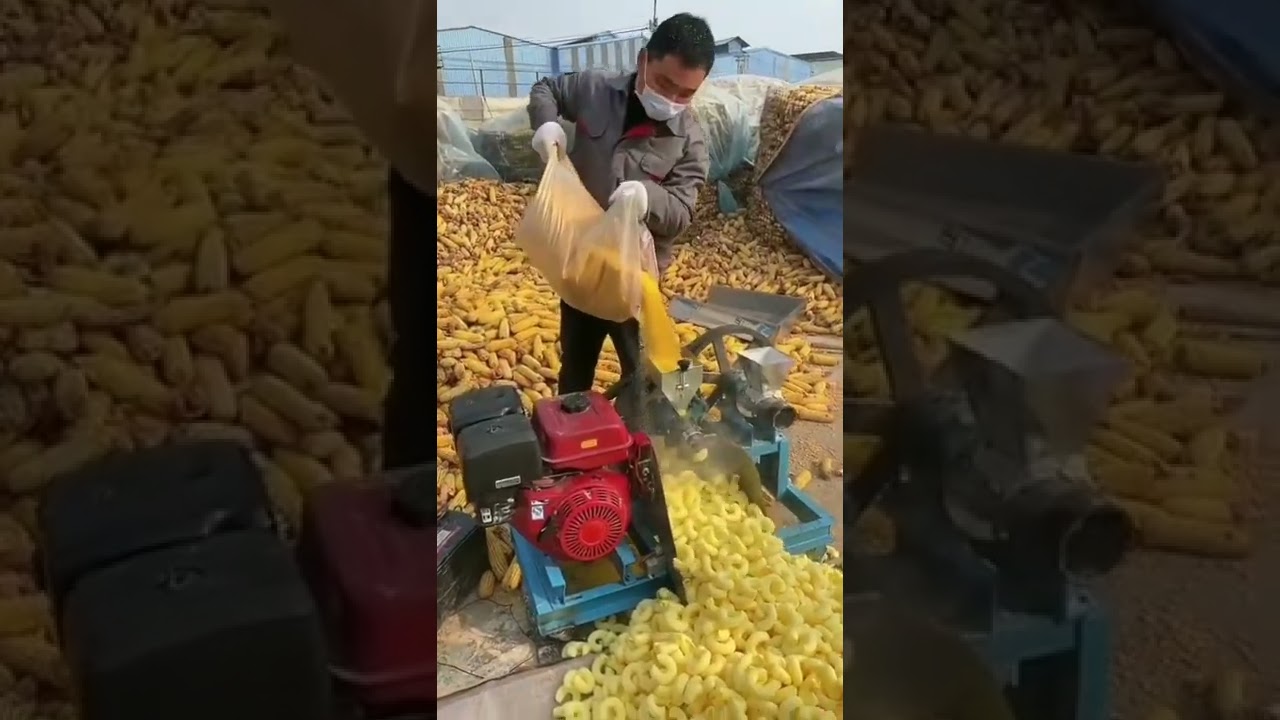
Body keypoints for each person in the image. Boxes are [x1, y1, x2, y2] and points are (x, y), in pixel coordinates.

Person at [527, 12, 713, 395]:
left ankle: (642, 450)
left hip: (634, 284)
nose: (672, 99)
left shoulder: (690, 140)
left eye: (686, 93)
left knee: (647, 382)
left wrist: (648, 196)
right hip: (581, 265)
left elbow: (682, 213)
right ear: (643, 60)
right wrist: (546, 124)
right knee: (575, 372)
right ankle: (572, 445)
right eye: (664, 83)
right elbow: (546, 88)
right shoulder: (594, 89)